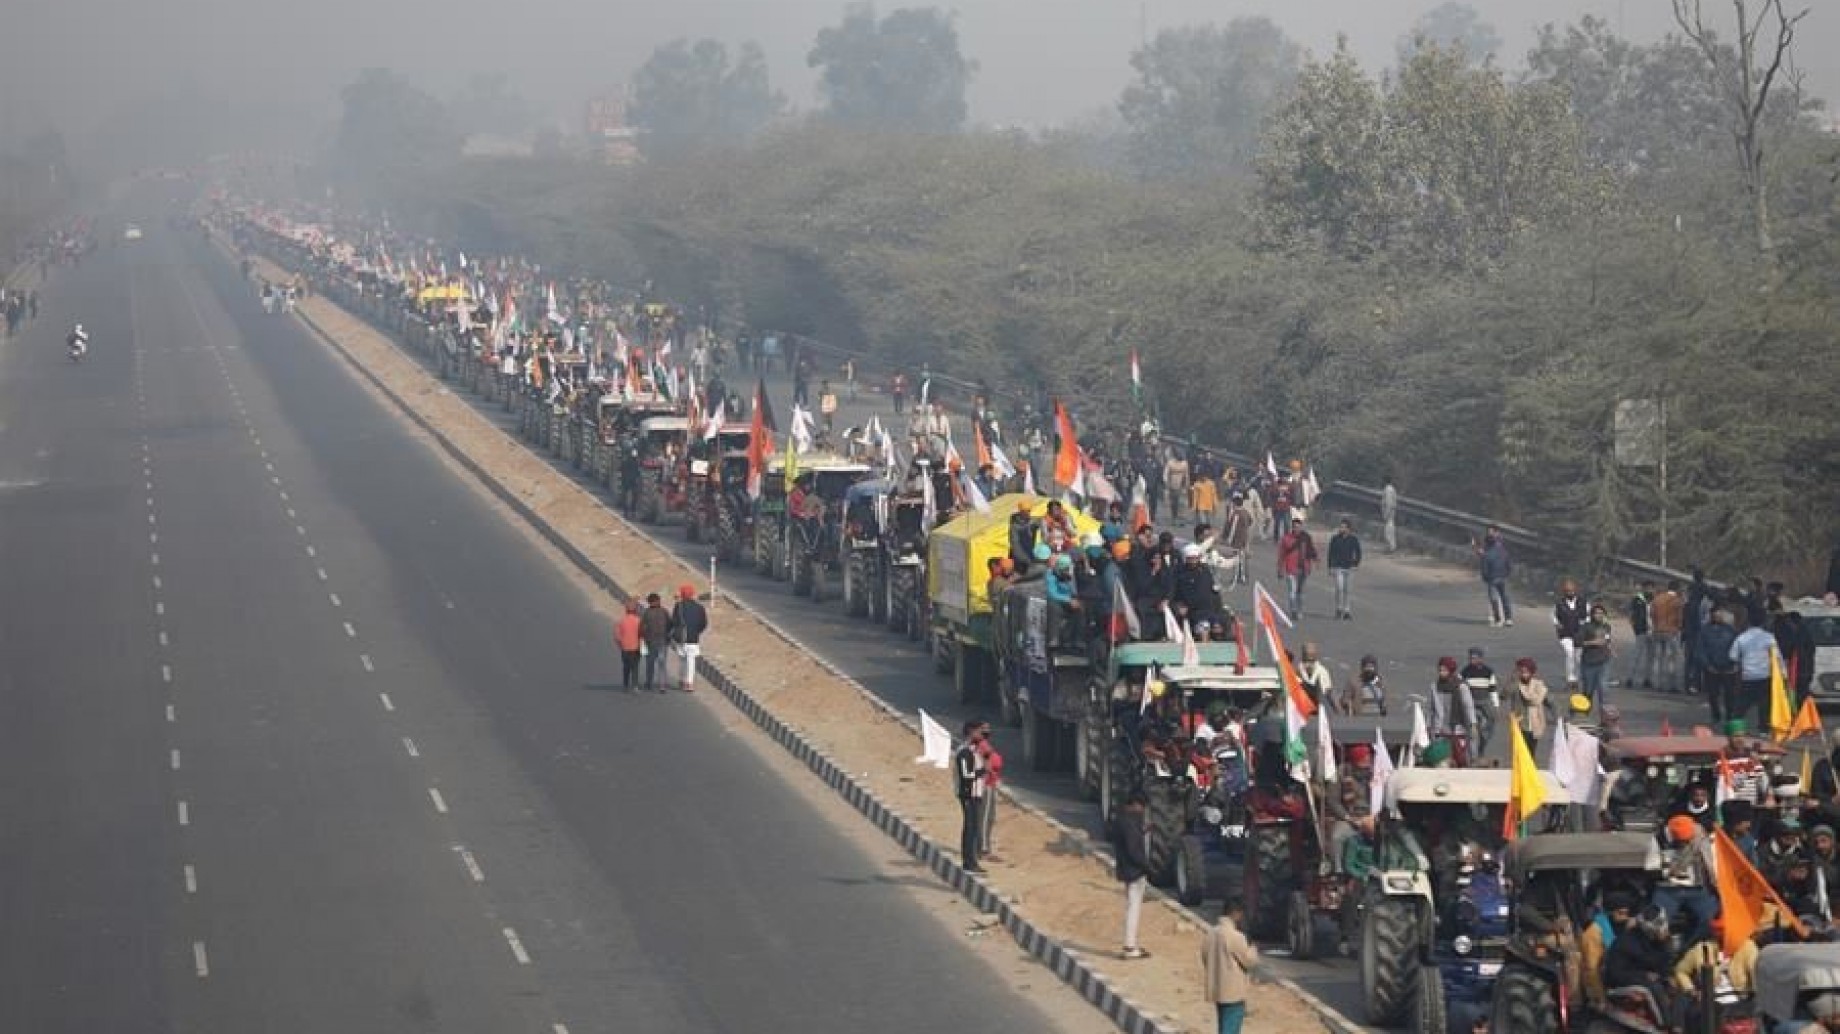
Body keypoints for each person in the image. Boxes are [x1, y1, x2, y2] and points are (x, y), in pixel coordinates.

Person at [1202, 898, 1258, 1034]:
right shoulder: (1235, 936)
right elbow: (1249, 961)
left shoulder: (1211, 933)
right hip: (1233, 992)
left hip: (1217, 988)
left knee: (1223, 1025)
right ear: (1236, 913)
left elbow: (1205, 957)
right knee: (1231, 1028)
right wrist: (1253, 948)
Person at [1115, 792, 1153, 959]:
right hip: (1134, 871)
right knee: (1133, 908)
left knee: (1132, 906)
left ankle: (1130, 945)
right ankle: (1129, 947)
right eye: (1141, 807)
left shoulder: (1122, 819)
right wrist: (1146, 867)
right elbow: (1133, 849)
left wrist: (1143, 831)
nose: (1142, 811)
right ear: (1135, 804)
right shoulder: (1130, 821)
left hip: (1127, 869)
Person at [1730, 610, 1781, 731]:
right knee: (1764, 705)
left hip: (1747, 676)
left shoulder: (1741, 638)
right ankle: (1763, 729)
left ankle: (1736, 728)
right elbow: (1777, 657)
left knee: (1741, 705)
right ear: (1763, 622)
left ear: (1748, 622)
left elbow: (1732, 656)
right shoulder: (1769, 637)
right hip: (1764, 675)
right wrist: (1783, 674)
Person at [954, 720, 989, 874]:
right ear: (971, 732)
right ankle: (969, 861)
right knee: (970, 828)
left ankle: (971, 860)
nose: (982, 735)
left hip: (976, 793)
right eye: (980, 731)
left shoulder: (974, 751)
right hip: (968, 794)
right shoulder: (964, 752)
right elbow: (966, 775)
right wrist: (982, 772)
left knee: (974, 827)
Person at [1699, 608, 1740, 724]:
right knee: (1713, 694)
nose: (1718, 616)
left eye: (1720, 613)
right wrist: (1707, 665)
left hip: (1728, 668)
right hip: (1711, 668)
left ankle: (1730, 715)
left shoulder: (1731, 630)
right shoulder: (1705, 630)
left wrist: (1735, 663)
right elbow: (1701, 649)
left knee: (1730, 694)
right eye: (1715, 614)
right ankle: (1715, 715)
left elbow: (1737, 647)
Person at [668, 584, 708, 692]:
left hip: (682, 638)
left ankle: (681, 680)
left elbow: (674, 621)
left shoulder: (679, 606)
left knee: (682, 660)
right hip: (693, 638)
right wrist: (696, 632)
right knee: (691, 661)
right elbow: (703, 623)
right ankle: (689, 683)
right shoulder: (700, 608)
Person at [1510, 658, 1552, 754]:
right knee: (1520, 753)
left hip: (1534, 724)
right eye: (1521, 672)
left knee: (1531, 752)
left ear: (1531, 672)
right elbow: (1504, 695)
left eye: (1525, 672)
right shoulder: (1516, 685)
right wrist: (1511, 680)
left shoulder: (1538, 685)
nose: (1523, 675)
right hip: (1519, 723)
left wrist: (1557, 716)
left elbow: (1544, 701)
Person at [1579, 603, 1615, 714]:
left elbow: (1607, 640)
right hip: (1589, 662)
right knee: (1588, 691)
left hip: (1604, 661)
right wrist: (1591, 643)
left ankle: (1605, 717)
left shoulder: (1606, 627)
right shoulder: (1586, 627)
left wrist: (1611, 649)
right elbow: (1577, 642)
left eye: (1601, 613)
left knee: (1603, 689)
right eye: (1596, 613)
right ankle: (1584, 714)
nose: (1599, 615)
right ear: (1592, 615)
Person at [1276, 522, 1317, 620]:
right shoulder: (1286, 538)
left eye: (1298, 527)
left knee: (1301, 592)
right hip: (1291, 569)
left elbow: (1312, 551)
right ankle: (1293, 610)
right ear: (1292, 528)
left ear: (1301, 527)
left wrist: (1316, 561)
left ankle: (1299, 610)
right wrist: (1280, 569)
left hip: (1303, 568)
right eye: (1294, 527)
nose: (1296, 529)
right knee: (1292, 592)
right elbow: (1281, 555)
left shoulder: (1306, 538)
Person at [1650, 580, 1685, 693]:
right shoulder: (1677, 601)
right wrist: (1679, 627)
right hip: (1671, 631)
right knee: (1672, 659)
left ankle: (1658, 683)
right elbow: (1680, 618)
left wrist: (1656, 625)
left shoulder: (1657, 598)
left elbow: (1652, 614)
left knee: (1658, 658)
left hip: (1658, 630)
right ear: (1677, 588)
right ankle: (1672, 684)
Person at [977, 722, 1004, 864]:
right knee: (986, 818)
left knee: (985, 818)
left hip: (986, 784)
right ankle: (983, 850)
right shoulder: (983, 747)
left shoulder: (979, 745)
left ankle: (981, 847)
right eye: (984, 729)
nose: (987, 731)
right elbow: (994, 763)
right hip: (986, 785)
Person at [1553, 580, 1589, 687]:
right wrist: (1557, 624)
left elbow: (1588, 615)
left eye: (1572, 590)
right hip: (1565, 633)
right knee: (1569, 652)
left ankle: (1576, 677)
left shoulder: (1583, 602)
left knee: (1578, 657)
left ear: (1576, 590)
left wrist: (1585, 625)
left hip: (1579, 632)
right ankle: (1570, 677)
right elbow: (1553, 616)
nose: (1570, 593)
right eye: (1567, 591)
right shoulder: (1559, 603)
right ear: (1564, 591)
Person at [1326, 518, 1362, 620]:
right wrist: (1330, 567)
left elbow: (1358, 552)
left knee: (1348, 590)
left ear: (1348, 529)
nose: (1342, 529)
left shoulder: (1353, 539)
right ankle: (1338, 608)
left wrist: (1356, 564)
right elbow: (1330, 553)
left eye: (1344, 527)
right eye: (1341, 527)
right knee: (1339, 588)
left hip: (1349, 568)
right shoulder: (1335, 539)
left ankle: (1347, 610)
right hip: (1338, 567)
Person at [1478, 526, 1513, 627]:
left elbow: (1485, 569)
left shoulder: (1491, 552)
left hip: (1497, 577)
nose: (1490, 533)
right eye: (1489, 531)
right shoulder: (1500, 549)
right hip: (1498, 577)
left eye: (1491, 531)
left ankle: (1503, 619)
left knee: (1499, 599)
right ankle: (1504, 619)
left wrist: (1485, 578)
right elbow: (1508, 564)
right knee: (1500, 599)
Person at [639, 592, 671, 691]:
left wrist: (644, 638)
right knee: (662, 664)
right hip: (662, 641)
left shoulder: (646, 613)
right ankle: (662, 685)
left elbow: (642, 628)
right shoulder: (664, 611)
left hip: (651, 642)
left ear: (649, 602)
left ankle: (649, 682)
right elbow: (670, 624)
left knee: (650, 663)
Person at [1625, 581, 1654, 689]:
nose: (1650, 590)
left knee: (1650, 657)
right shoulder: (1637, 599)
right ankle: (1630, 678)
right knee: (1636, 655)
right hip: (1641, 630)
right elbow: (1631, 614)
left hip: (1652, 631)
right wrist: (1635, 627)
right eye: (1648, 588)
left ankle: (1648, 679)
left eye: (1651, 588)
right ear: (1644, 588)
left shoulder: (1654, 600)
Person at [615, 599, 643, 691]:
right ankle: (635, 685)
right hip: (636, 648)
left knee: (626, 667)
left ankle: (625, 685)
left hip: (625, 648)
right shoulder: (639, 621)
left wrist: (620, 645)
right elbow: (642, 634)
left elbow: (617, 636)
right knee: (635, 667)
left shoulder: (621, 621)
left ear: (626, 610)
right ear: (635, 610)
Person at [1381, 479, 1399, 553]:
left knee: (1388, 532)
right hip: (1392, 513)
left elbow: (1389, 503)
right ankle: (1392, 547)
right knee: (1391, 530)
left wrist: (1386, 514)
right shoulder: (1392, 489)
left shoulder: (1388, 490)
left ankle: (1390, 547)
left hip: (1389, 513)